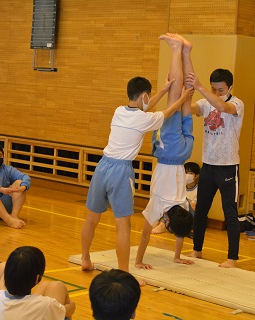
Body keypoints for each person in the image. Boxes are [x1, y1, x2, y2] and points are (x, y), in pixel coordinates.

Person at [80, 70, 194, 273]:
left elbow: (145, 109)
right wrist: (183, 98)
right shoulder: (145, 120)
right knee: (123, 226)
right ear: (144, 96)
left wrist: (162, 91)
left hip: (102, 166)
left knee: (92, 218)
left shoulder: (119, 111)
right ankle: (124, 273)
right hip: (121, 171)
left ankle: (85, 258)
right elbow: (167, 113)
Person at [135, 33, 195, 269]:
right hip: (169, 152)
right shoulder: (160, 206)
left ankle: (187, 52)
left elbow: (181, 230)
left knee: (187, 99)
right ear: (166, 219)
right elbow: (144, 235)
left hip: (184, 154)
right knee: (176, 94)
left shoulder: (182, 206)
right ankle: (176, 49)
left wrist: (177, 256)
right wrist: (138, 261)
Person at [185, 68, 244, 268]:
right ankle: (197, 249)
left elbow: (223, 107)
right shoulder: (205, 103)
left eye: (220, 89)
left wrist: (200, 87)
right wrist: (183, 94)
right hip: (209, 165)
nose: (217, 93)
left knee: (230, 212)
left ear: (230, 88)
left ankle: (232, 258)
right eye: (214, 89)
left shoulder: (236, 103)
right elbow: (190, 109)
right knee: (201, 209)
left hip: (228, 166)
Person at [0, 246, 76, 320]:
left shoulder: (0, 296)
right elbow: (70, 309)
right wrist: (70, 302)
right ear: (37, 278)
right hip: (52, 307)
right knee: (59, 287)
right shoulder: (46, 304)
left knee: (45, 285)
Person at [151, 161, 200, 235]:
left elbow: (195, 207)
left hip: (189, 216)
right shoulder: (180, 187)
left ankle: (163, 224)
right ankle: (156, 221)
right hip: (178, 212)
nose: (187, 175)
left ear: (196, 176)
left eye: (190, 173)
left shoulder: (199, 189)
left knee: (180, 199)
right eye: (185, 172)